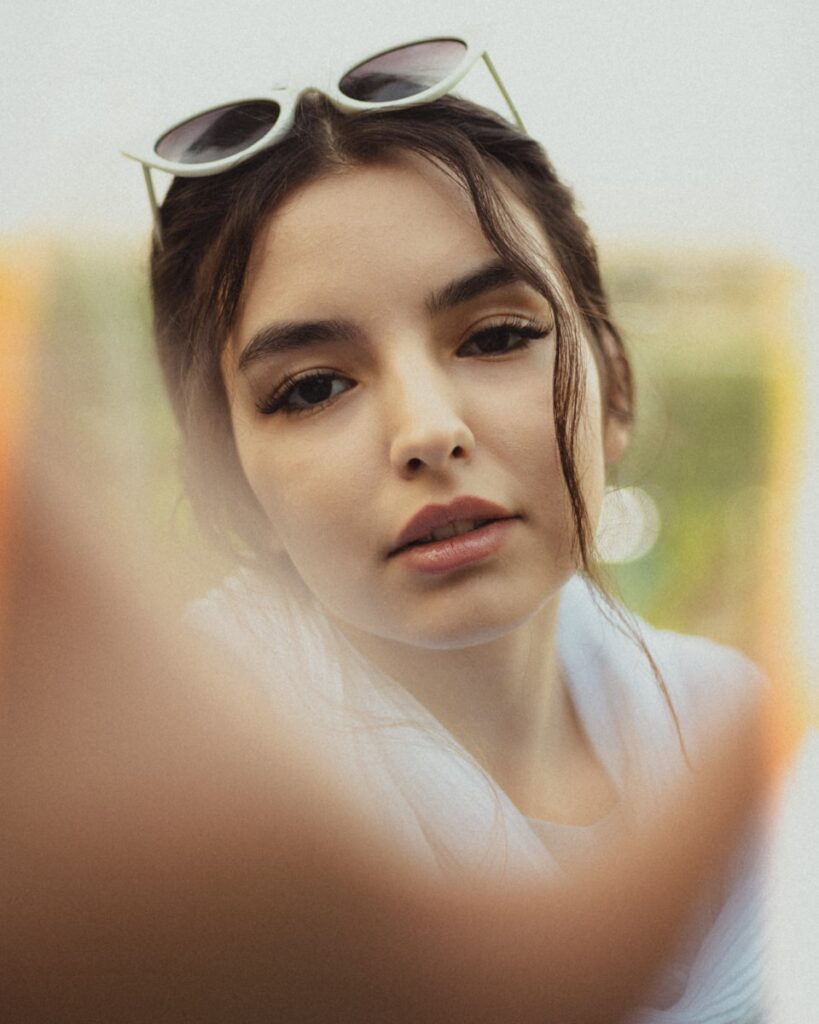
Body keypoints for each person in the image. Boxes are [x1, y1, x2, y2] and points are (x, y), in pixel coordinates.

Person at [120, 37, 766, 1021]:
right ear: (232, 487)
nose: (427, 430)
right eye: (313, 387)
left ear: (614, 386)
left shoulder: (737, 727)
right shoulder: (181, 824)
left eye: (498, 335)